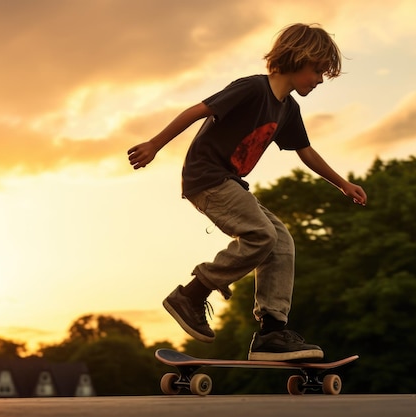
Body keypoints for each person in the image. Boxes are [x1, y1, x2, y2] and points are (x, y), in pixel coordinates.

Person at [127, 23, 367, 361]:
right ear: (299, 59)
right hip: (207, 178)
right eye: (318, 70)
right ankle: (192, 294)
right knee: (260, 234)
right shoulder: (253, 88)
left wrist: (342, 183)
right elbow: (199, 111)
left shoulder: (288, 109)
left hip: (230, 183)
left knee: (281, 241)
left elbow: (306, 152)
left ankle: (272, 332)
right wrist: (154, 144)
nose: (320, 80)